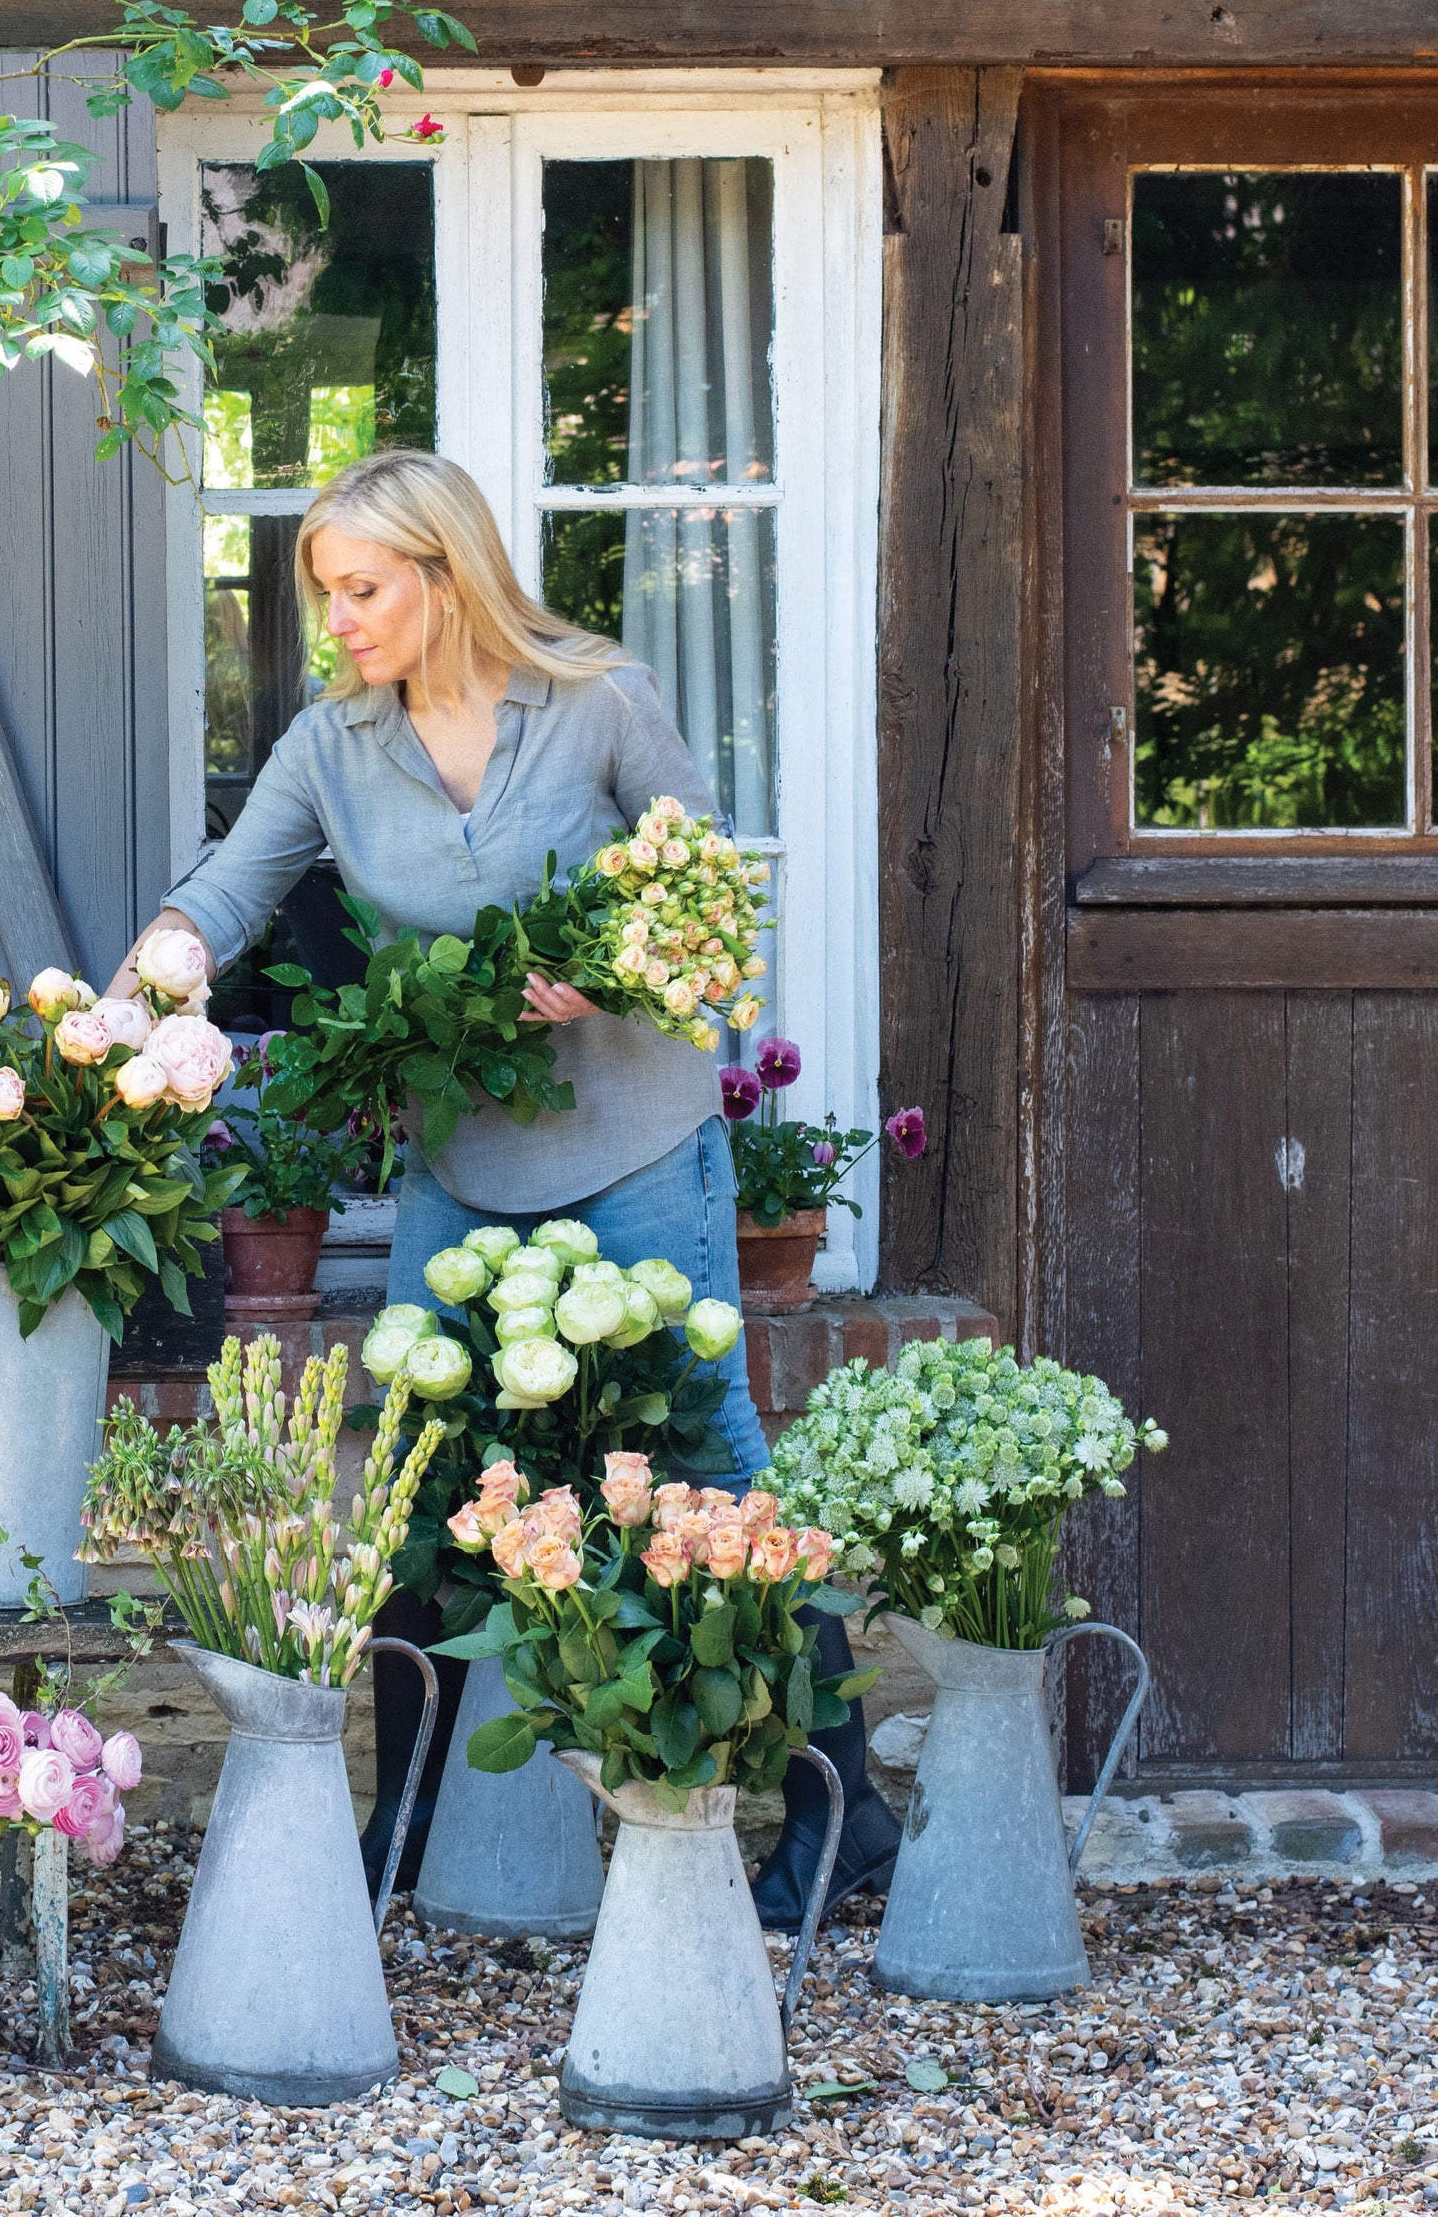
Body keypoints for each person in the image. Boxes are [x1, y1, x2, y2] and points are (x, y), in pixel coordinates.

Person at [107, 449, 893, 1929]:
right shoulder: (335, 742)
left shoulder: (597, 699)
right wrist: (115, 1010)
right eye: (324, 592)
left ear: (445, 576)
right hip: (465, 1167)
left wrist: (599, 972)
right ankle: (403, 1829)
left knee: (713, 1463)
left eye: (361, 589)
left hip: (641, 1144)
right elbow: (227, 888)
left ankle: (844, 1811)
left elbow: (709, 890)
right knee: (426, 1478)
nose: (335, 617)